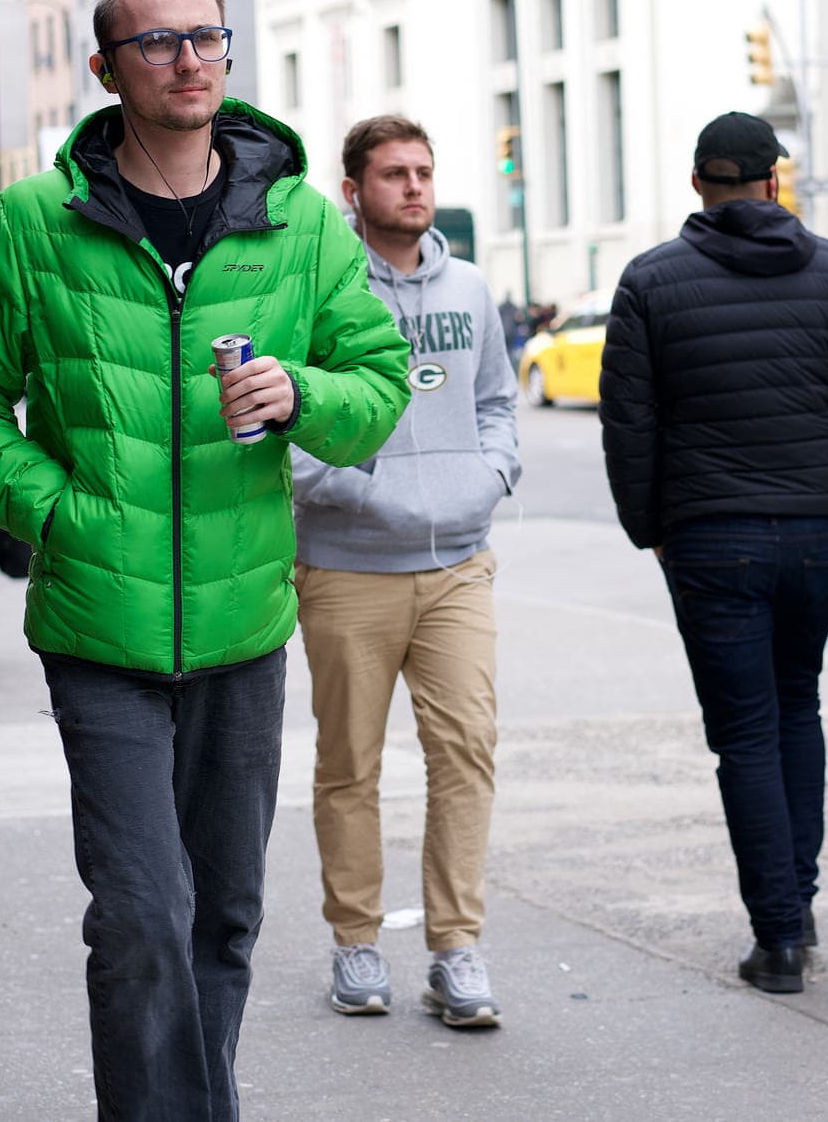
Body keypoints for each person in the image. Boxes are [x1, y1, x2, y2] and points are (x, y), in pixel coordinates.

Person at [0, 0, 411, 1120]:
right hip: (99, 625)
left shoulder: (296, 224)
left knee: (224, 915)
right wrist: (57, 511)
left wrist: (300, 398)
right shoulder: (36, 225)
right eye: (157, 43)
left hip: (243, 625)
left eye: (206, 38)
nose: (188, 60)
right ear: (108, 69)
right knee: (141, 916)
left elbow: (377, 380)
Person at [599, 112, 828, 995]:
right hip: (817, 532)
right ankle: (794, 905)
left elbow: (630, 424)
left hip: (710, 534)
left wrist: (648, 525)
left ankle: (778, 938)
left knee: (745, 734)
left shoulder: (650, 280)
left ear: (697, 183)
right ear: (775, 181)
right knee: (798, 706)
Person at [292, 115, 520, 1028]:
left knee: (465, 749)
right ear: (354, 190)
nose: (414, 188)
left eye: (423, 172)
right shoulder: (318, 289)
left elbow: (497, 400)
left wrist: (491, 473)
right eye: (393, 174)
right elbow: (287, 421)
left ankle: (456, 947)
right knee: (349, 763)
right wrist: (361, 488)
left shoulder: (469, 285)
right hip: (348, 563)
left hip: (461, 561)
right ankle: (355, 941)